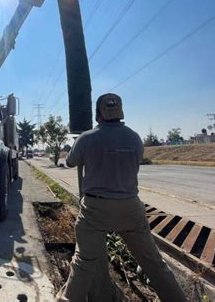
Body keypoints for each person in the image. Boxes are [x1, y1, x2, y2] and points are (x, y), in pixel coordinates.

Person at [56, 93, 185, 301]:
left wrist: (81, 143)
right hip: (130, 207)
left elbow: (70, 162)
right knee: (154, 264)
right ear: (120, 112)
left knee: (84, 262)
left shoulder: (87, 138)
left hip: (95, 210)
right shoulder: (134, 138)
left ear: (98, 113)